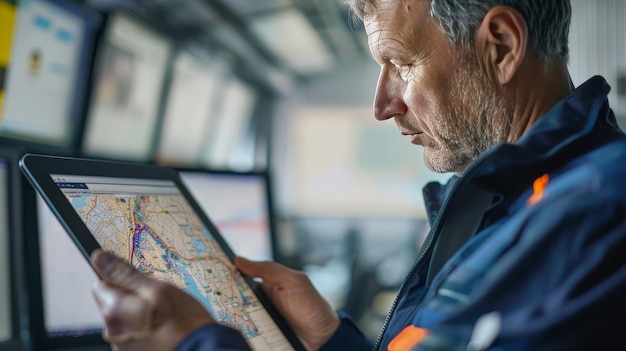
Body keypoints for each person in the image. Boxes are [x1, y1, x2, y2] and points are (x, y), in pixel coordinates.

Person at [90, 0, 626, 350]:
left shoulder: (592, 216)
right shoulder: (514, 197)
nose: (382, 104)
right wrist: (330, 341)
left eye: (403, 63)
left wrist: (196, 345)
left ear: (502, 47)